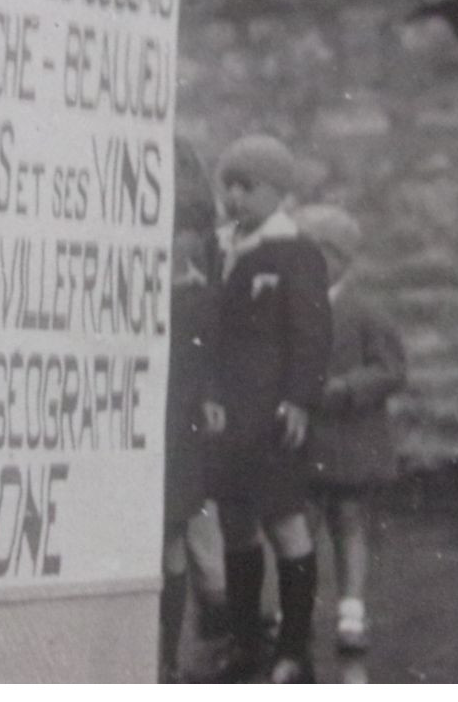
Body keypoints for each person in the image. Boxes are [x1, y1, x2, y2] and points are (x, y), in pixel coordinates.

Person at [202, 134, 332, 683]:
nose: (235, 198)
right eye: (228, 186)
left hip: (273, 414)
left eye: (247, 187)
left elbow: (311, 334)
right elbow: (206, 333)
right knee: (236, 525)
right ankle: (245, 640)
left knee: (285, 523)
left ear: (278, 192)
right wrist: (207, 392)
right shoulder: (222, 250)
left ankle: (294, 650)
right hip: (228, 415)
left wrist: (300, 399)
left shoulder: (295, 252)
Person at [292, 203, 406, 656]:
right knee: (301, 524)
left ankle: (352, 609)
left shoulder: (366, 313)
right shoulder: (294, 308)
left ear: (338, 258)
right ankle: (293, 610)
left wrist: (345, 387)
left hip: (351, 438)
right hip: (303, 438)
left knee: (350, 521)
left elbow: (392, 370)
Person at [159, 142, 227, 682]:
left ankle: (174, 650)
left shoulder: (199, 294)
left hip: (180, 414)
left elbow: (207, 346)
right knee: (177, 527)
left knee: (180, 525)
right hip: (167, 409)